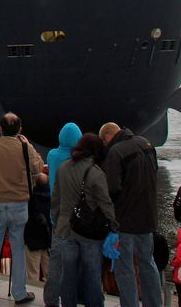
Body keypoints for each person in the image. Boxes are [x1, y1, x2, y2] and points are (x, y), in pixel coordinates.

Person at [0, 111, 43, 304]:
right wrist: (28, 145)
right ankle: (19, 293)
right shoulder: (25, 147)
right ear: (20, 129)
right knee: (18, 250)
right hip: (19, 204)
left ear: (0, 128)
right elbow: (37, 168)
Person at [99, 121, 162, 307]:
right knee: (147, 263)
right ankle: (154, 303)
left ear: (107, 137)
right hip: (148, 217)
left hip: (125, 220)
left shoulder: (116, 152)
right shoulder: (147, 144)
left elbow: (110, 188)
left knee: (124, 267)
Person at [52, 133, 116, 307]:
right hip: (89, 231)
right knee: (92, 275)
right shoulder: (96, 173)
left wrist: (57, 221)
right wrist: (114, 226)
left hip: (66, 228)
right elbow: (105, 202)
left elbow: (56, 199)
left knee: (68, 275)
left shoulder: (63, 168)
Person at [43, 122, 82, 307]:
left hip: (56, 214)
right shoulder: (79, 160)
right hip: (77, 218)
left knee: (56, 263)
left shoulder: (52, 156)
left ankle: (50, 299)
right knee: (76, 263)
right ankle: (72, 299)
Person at [26, 171, 53, 284]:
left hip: (33, 239)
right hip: (48, 239)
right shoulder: (53, 199)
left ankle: (33, 291)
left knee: (33, 271)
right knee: (49, 271)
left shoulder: (29, 199)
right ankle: (52, 294)